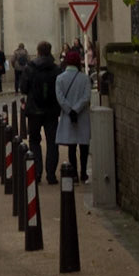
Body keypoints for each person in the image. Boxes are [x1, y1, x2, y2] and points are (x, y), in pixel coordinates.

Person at [24, 40, 60, 183]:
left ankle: (37, 173)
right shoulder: (56, 69)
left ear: (38, 52)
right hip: (51, 110)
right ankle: (51, 174)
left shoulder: (30, 68)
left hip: (34, 110)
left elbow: (23, 88)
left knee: (34, 141)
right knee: (52, 142)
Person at [56, 43, 91, 181]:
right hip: (81, 115)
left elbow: (60, 97)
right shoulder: (85, 78)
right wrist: (76, 109)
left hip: (68, 115)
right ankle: (83, 172)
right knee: (83, 146)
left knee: (71, 147)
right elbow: (86, 97)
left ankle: (74, 173)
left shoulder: (60, 79)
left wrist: (69, 110)